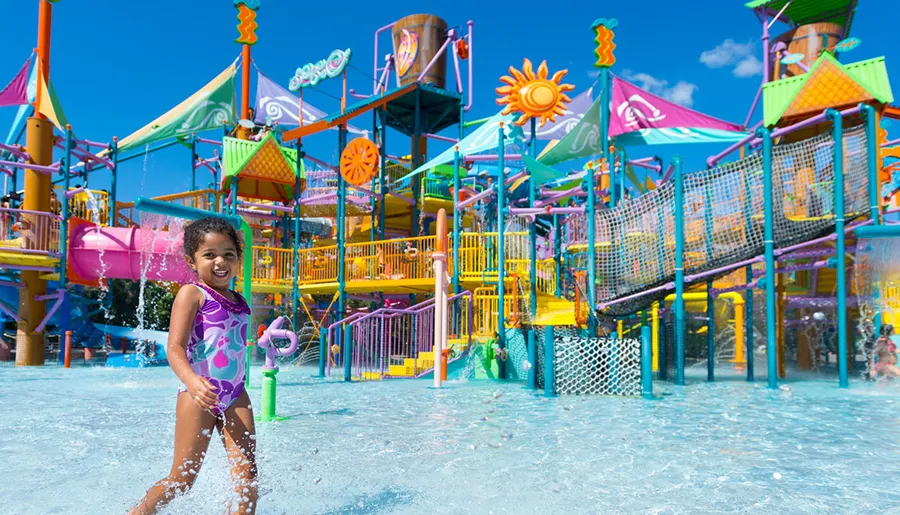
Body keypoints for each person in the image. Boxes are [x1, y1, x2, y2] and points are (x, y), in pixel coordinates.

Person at [130, 217, 257, 515]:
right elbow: (174, 348)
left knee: (248, 481)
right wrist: (191, 380)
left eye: (229, 254)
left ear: (239, 258)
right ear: (192, 259)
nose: (220, 261)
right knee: (182, 479)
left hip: (235, 394)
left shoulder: (239, 299)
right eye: (209, 255)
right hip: (197, 395)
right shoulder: (192, 294)